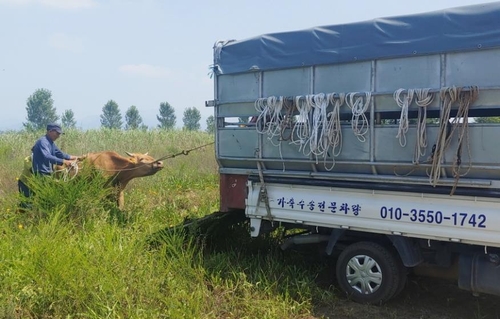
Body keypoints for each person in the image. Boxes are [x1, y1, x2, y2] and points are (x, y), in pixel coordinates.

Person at [18, 123, 81, 202]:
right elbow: (47, 156)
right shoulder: (43, 142)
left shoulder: (50, 143)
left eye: (59, 134)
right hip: (37, 176)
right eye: (57, 133)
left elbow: (60, 154)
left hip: (45, 174)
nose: (58, 136)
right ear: (50, 131)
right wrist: (64, 162)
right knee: (29, 204)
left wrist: (76, 158)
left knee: (46, 200)